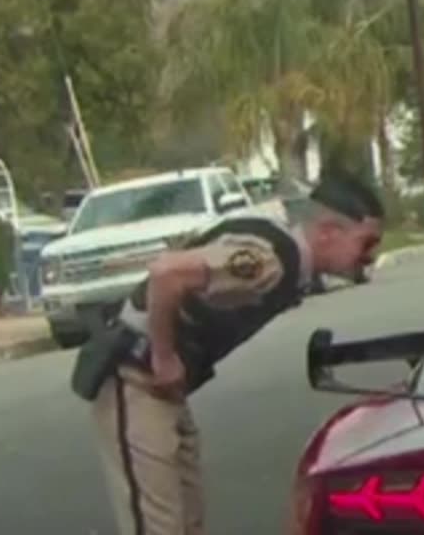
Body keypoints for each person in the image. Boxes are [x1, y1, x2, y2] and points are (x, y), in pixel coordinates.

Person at [70, 170, 384, 535]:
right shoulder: (270, 260)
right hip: (136, 378)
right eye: (366, 243)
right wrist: (164, 356)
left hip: (163, 390)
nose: (370, 257)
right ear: (329, 231)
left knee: (184, 523)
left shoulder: (281, 255)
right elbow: (166, 273)